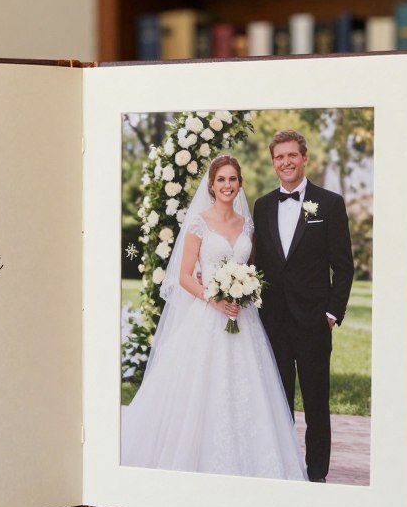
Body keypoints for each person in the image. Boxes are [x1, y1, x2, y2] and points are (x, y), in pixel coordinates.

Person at [121, 154, 307, 481]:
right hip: (207, 316)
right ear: (211, 184)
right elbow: (184, 276)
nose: (227, 185)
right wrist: (215, 299)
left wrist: (244, 291)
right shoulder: (199, 223)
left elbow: (253, 268)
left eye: (232, 179)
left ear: (240, 184)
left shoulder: (247, 225)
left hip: (243, 318)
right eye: (221, 179)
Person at [252, 130, 354, 483]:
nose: (286, 162)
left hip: (314, 321)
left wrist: (332, 313)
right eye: (279, 157)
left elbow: (344, 267)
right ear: (273, 163)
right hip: (274, 322)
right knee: (278, 402)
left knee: (316, 403)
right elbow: (258, 263)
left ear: (305, 158)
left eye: (292, 155)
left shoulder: (329, 204)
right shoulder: (263, 206)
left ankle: (317, 475)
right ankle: (283, 468)